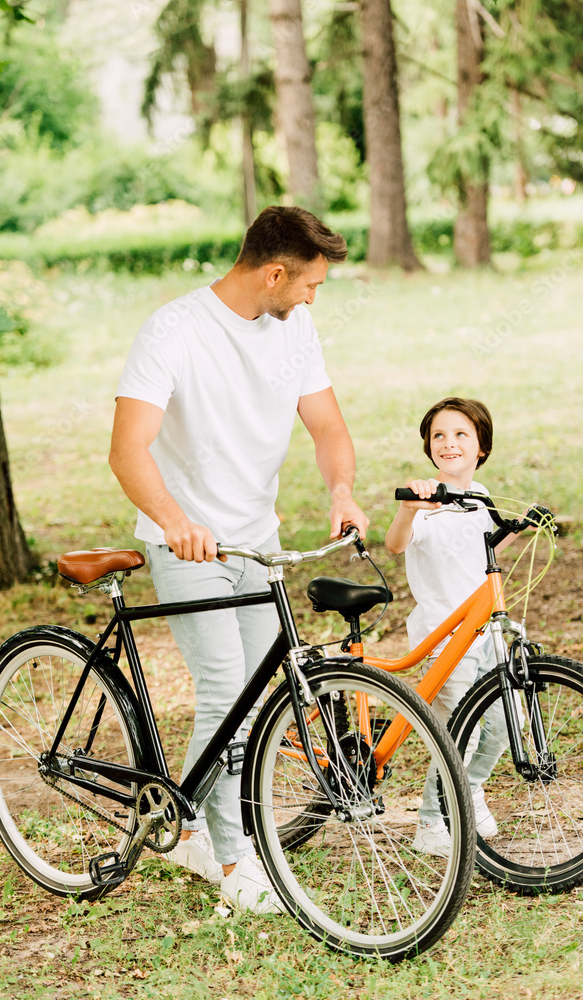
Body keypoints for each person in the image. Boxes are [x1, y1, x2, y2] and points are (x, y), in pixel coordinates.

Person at [109, 205, 369, 912]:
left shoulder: (295, 327)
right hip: (189, 544)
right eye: (311, 283)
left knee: (253, 701)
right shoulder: (174, 329)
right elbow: (127, 449)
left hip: (256, 539)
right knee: (227, 695)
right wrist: (176, 521)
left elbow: (326, 425)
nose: (315, 296)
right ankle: (234, 865)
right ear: (275, 273)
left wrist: (340, 490)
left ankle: (184, 819)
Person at [385, 397, 517, 857]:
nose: (449, 443)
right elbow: (395, 544)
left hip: (488, 633)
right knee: (463, 731)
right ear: (429, 446)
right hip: (446, 637)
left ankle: (469, 791)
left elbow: (482, 552)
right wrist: (410, 507)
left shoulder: (481, 498)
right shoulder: (427, 501)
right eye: (439, 435)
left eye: (461, 434)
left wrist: (519, 528)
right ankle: (431, 823)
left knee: (502, 724)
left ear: (481, 447)